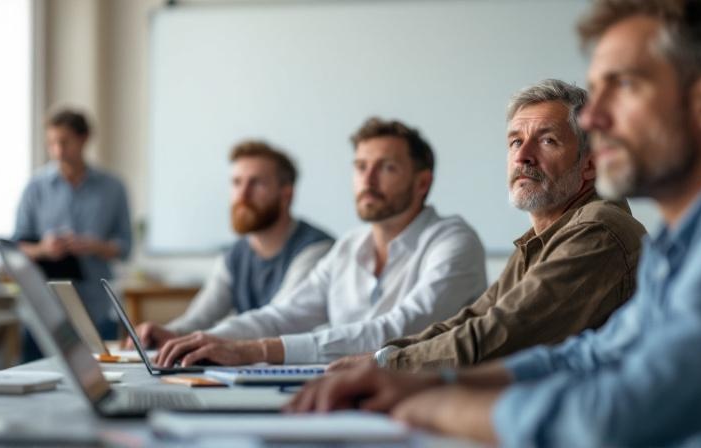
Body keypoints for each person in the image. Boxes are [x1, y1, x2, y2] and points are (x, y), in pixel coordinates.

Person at [286, 0, 701, 445]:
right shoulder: (686, 238)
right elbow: (589, 357)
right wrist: (428, 381)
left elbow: (617, 415)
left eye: (624, 86)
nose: (594, 120)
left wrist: (427, 403)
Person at [330, 79, 646, 372]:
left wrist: (387, 365)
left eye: (547, 141)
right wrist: (382, 356)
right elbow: (472, 320)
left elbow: (502, 337)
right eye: (514, 142)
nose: (523, 156)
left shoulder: (599, 229)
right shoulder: (539, 242)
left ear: (591, 163)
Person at [154, 117, 487, 367]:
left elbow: (401, 330)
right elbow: (281, 315)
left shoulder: (455, 242)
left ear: (421, 183)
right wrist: (201, 340)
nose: (367, 180)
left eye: (386, 168)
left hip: (425, 401)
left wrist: (259, 350)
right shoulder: (348, 247)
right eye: (360, 167)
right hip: (347, 394)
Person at [129, 141, 334, 349]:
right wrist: (169, 333)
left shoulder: (317, 250)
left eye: (256, 183)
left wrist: (195, 340)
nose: (242, 195)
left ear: (286, 195)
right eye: (236, 183)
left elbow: (279, 322)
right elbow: (199, 318)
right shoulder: (234, 255)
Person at [14, 108, 132, 359]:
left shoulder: (113, 187)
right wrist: (43, 249)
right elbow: (16, 247)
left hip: (96, 306)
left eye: (64, 142)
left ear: (84, 138)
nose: (58, 150)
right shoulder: (35, 188)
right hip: (44, 307)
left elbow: (126, 246)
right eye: (51, 143)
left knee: (102, 375)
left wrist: (94, 246)